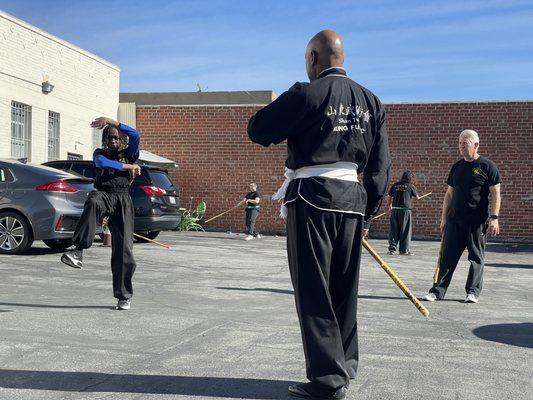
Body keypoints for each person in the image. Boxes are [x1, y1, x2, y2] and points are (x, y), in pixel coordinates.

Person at [248, 29, 390, 400]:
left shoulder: (305, 93)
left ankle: (327, 380)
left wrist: (294, 107)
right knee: (344, 289)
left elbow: (258, 130)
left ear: (313, 58)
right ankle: (345, 364)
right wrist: (368, 214)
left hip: (312, 198)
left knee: (314, 291)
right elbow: (380, 169)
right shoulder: (370, 100)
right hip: (352, 201)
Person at [61, 117, 141, 311]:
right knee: (93, 200)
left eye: (116, 138)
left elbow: (136, 134)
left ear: (121, 140)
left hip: (123, 200)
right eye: (109, 138)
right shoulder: (100, 153)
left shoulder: (128, 153)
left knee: (124, 251)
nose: (113, 142)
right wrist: (128, 167)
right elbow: (103, 163)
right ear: (105, 140)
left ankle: (123, 296)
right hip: (105, 194)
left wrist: (112, 122)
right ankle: (78, 250)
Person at [422, 129, 501, 304]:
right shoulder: (457, 167)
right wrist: (444, 218)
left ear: (476, 145)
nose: (461, 146)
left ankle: (472, 292)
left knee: (476, 258)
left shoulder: (487, 166)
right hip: (455, 221)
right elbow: (449, 194)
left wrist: (494, 217)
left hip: (477, 222)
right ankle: (437, 291)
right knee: (447, 257)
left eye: (465, 143)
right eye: (459, 143)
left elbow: (496, 193)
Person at [387, 170, 419, 255]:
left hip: (395, 210)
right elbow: (417, 197)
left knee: (394, 230)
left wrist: (389, 206)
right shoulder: (411, 186)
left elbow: (389, 196)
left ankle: (392, 249)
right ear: (410, 178)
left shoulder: (395, 185)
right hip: (405, 211)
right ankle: (404, 250)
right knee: (405, 230)